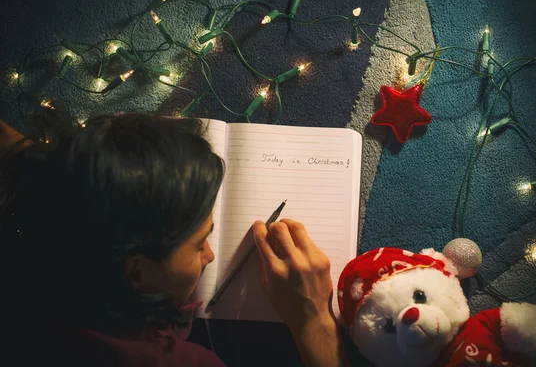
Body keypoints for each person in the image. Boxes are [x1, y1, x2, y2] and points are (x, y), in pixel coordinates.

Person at [0, 108, 349, 366]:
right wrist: (314, 321)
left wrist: (48, 164)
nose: (210, 255)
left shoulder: (40, 226)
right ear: (135, 273)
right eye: (199, 244)